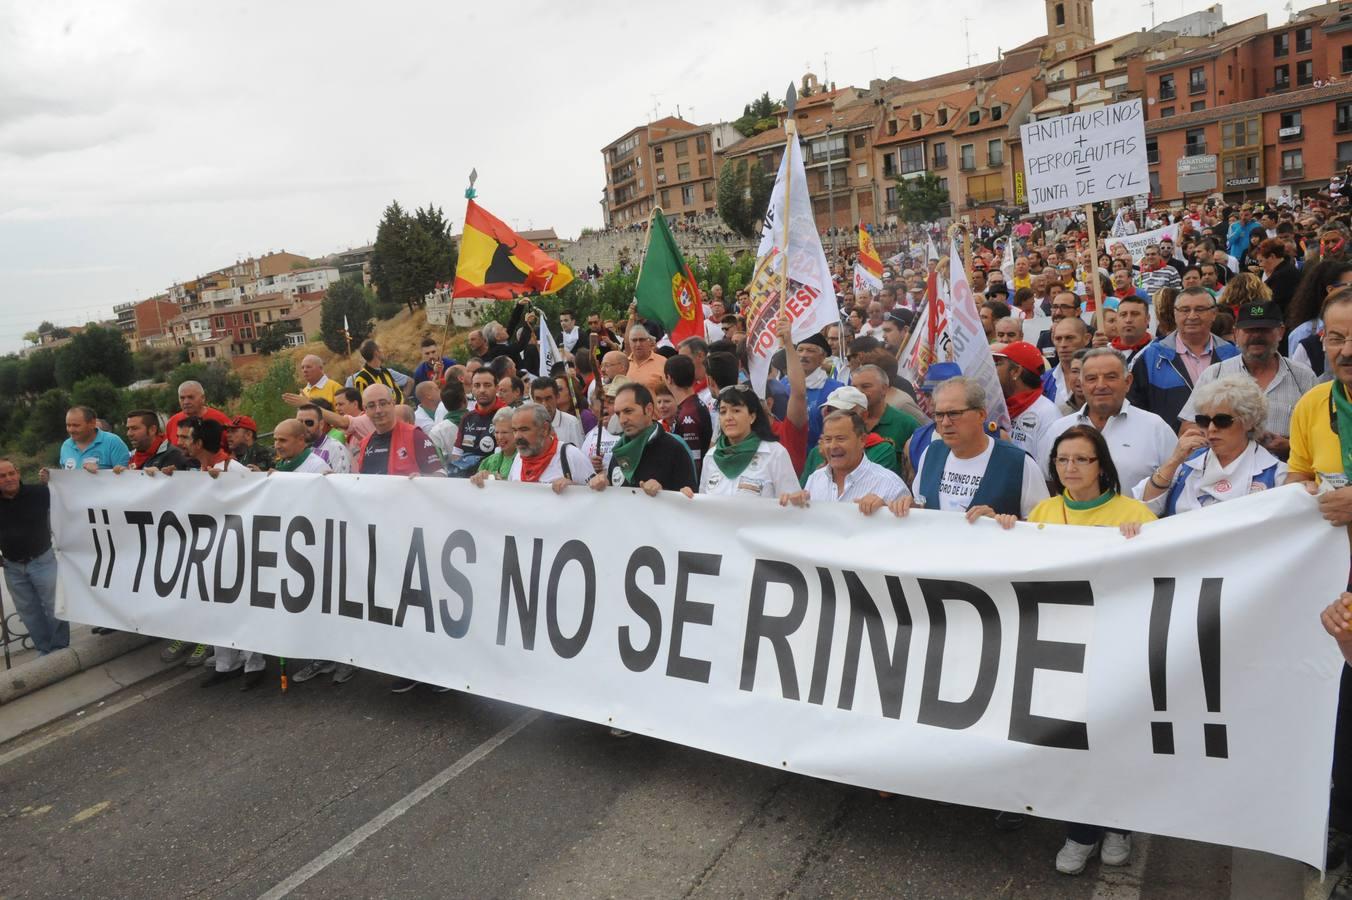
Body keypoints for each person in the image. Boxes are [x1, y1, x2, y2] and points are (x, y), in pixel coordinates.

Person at [1029, 425, 1154, 875]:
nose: (1071, 468)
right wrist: (1001, 529)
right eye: (1063, 460)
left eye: (1082, 459)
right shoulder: (1044, 509)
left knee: (1115, 739)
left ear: (1102, 465)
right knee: (1070, 744)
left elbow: (1161, 573)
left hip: (1116, 647)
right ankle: (1080, 831)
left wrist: (1143, 541)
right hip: (1060, 649)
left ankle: (1119, 825)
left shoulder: (1133, 511)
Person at [1177, 299, 1315, 457]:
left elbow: (1321, 434)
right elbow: (1188, 428)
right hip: (1226, 476)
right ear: (1236, 333)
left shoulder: (1303, 377)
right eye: (1249, 330)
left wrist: (1290, 446)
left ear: (1281, 332)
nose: (1256, 336)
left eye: (1264, 330)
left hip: (1286, 476)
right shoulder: (1215, 374)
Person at [1137, 376, 1284, 515]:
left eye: (1222, 420)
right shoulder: (1187, 465)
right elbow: (1145, 507)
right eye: (1204, 421)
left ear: (1249, 422)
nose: (1212, 428)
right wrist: (1174, 460)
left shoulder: (1277, 474)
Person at [905, 377, 1049, 519]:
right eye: (939, 415)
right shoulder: (931, 453)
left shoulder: (1019, 464)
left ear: (981, 415)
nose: (945, 422)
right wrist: (906, 506)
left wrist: (1000, 523)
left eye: (954, 414)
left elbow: (1042, 524)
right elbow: (921, 504)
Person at [1043, 348, 1178, 492]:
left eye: (1111, 377)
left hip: (1143, 515)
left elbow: (1176, 484)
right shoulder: (1058, 430)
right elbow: (1048, 484)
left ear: (1128, 382)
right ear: (1082, 385)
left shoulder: (1155, 428)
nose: (1101, 385)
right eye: (1091, 379)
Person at [1128, 287, 1239, 430]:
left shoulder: (1232, 355)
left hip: (1224, 446)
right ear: (1175, 314)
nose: (1192, 316)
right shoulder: (1152, 357)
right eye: (1185, 310)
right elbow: (1137, 410)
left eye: (1200, 309)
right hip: (1170, 448)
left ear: (1214, 314)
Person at [0, 458, 66, 655]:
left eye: (11, 473)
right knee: (28, 613)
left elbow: (67, 502)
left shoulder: (39, 493)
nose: (8, 478)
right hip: (12, 567)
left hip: (43, 559)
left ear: (18, 473)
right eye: (2, 476)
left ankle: (61, 647)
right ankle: (44, 650)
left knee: (56, 605)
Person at [686, 383, 798, 499]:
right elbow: (704, 508)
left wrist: (797, 499)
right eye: (723, 412)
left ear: (752, 416)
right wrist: (687, 499)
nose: (728, 417)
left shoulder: (775, 454)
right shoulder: (710, 457)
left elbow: (792, 505)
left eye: (736, 411)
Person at [780, 411, 910, 509]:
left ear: (862, 440)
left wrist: (885, 511)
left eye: (841, 438)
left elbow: (907, 535)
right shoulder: (815, 479)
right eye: (828, 439)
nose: (833, 446)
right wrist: (793, 507)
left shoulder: (891, 486)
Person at [590, 382, 697, 495]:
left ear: (649, 409)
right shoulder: (619, 451)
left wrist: (664, 493)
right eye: (618, 414)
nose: (622, 420)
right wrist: (605, 485)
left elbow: (691, 501)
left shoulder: (674, 449)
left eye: (628, 411)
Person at [470, 403, 591, 491]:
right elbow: (514, 497)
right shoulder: (518, 459)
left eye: (524, 429)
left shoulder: (571, 455)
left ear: (544, 429)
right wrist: (490, 480)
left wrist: (576, 490)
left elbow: (598, 498)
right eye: (514, 430)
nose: (517, 436)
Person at [353, 385, 443, 478]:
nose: (378, 410)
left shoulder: (415, 436)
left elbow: (440, 475)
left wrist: (422, 478)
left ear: (393, 403)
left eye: (383, 403)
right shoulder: (365, 443)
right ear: (365, 410)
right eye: (371, 406)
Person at [993, 341, 1060, 458]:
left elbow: (1048, 469)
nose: (993, 370)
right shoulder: (996, 407)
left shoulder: (1047, 414)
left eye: (998, 364)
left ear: (1016, 371)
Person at [788, 333, 843, 448]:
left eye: (810, 351)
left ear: (822, 357)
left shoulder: (835, 389)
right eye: (800, 350)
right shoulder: (784, 384)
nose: (803, 355)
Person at [449, 368, 506, 476]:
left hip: (494, 479)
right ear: (471, 388)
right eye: (477, 385)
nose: (482, 390)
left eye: (487, 385)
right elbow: (457, 454)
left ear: (497, 388)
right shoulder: (467, 418)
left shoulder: (506, 416)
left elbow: (505, 457)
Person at [665, 354, 712, 477]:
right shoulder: (691, 405)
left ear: (669, 379)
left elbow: (693, 460)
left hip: (690, 489)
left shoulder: (689, 414)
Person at [164, 380, 233, 446]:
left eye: (191, 397)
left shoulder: (220, 420)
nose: (186, 402)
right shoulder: (172, 423)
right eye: (182, 398)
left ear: (203, 398)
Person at [121, 409, 190, 472]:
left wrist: (159, 475)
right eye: (128, 429)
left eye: (134, 428)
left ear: (152, 430)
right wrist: (121, 474)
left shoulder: (173, 455)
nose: (129, 434)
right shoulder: (132, 456)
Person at [529, 376, 584, 447]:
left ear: (557, 396)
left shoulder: (571, 423)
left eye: (548, 399)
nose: (544, 405)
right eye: (539, 399)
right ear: (533, 400)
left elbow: (578, 455)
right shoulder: (528, 424)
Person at [297, 404, 352, 474]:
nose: (303, 426)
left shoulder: (336, 448)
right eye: (299, 422)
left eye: (309, 423)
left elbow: (342, 480)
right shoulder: (293, 448)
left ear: (321, 424)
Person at [351, 339, 406, 405]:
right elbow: (362, 403)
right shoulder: (362, 379)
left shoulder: (385, 372)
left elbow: (397, 391)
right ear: (376, 353)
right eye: (380, 349)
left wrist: (397, 407)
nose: (383, 351)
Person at [475, 407, 519, 479]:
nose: (500, 437)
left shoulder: (524, 461)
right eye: (496, 432)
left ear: (516, 432)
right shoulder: (487, 462)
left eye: (505, 432)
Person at [1110, 296, 1153, 368]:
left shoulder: (1158, 352)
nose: (1128, 320)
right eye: (1123, 314)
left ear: (1147, 319)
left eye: (1135, 314)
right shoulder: (1105, 351)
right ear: (1116, 319)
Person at [624, 324, 666, 394]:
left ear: (649, 341)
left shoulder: (663, 362)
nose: (638, 344)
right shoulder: (624, 363)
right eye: (634, 340)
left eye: (641, 340)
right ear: (629, 342)